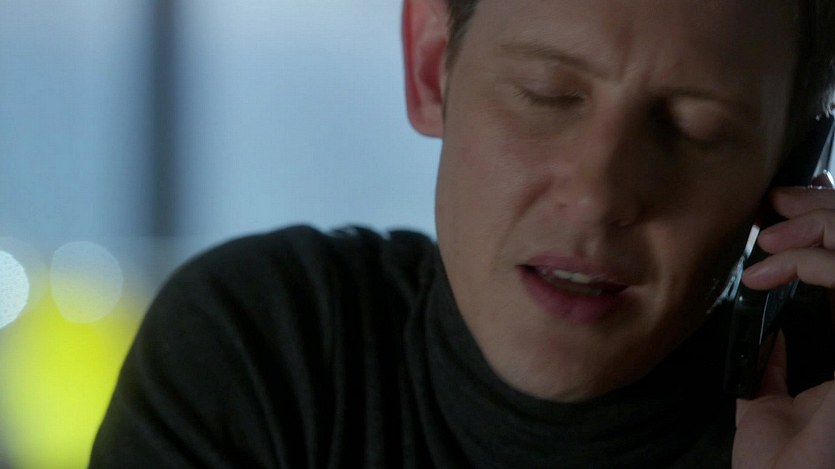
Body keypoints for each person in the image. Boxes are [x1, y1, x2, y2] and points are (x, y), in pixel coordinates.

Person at [91, 0, 835, 467]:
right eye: (548, 95)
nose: (596, 195)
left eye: (694, 129)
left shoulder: (816, 414)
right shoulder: (267, 347)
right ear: (431, 68)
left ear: (794, 168)